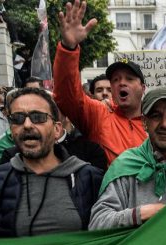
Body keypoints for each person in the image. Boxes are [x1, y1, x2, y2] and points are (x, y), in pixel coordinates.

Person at [89, 88, 166, 230]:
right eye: (156, 116)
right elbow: (97, 224)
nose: (165, 124)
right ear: (144, 122)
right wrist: (139, 215)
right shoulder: (126, 165)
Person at [0, 87, 103, 237]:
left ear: (57, 129)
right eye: (17, 118)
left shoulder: (89, 177)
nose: (27, 125)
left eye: (38, 117)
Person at [54, 0, 146, 165]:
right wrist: (68, 48)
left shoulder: (155, 120)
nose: (121, 83)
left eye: (129, 79)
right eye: (116, 79)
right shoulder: (99, 115)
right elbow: (67, 97)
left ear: (143, 87)